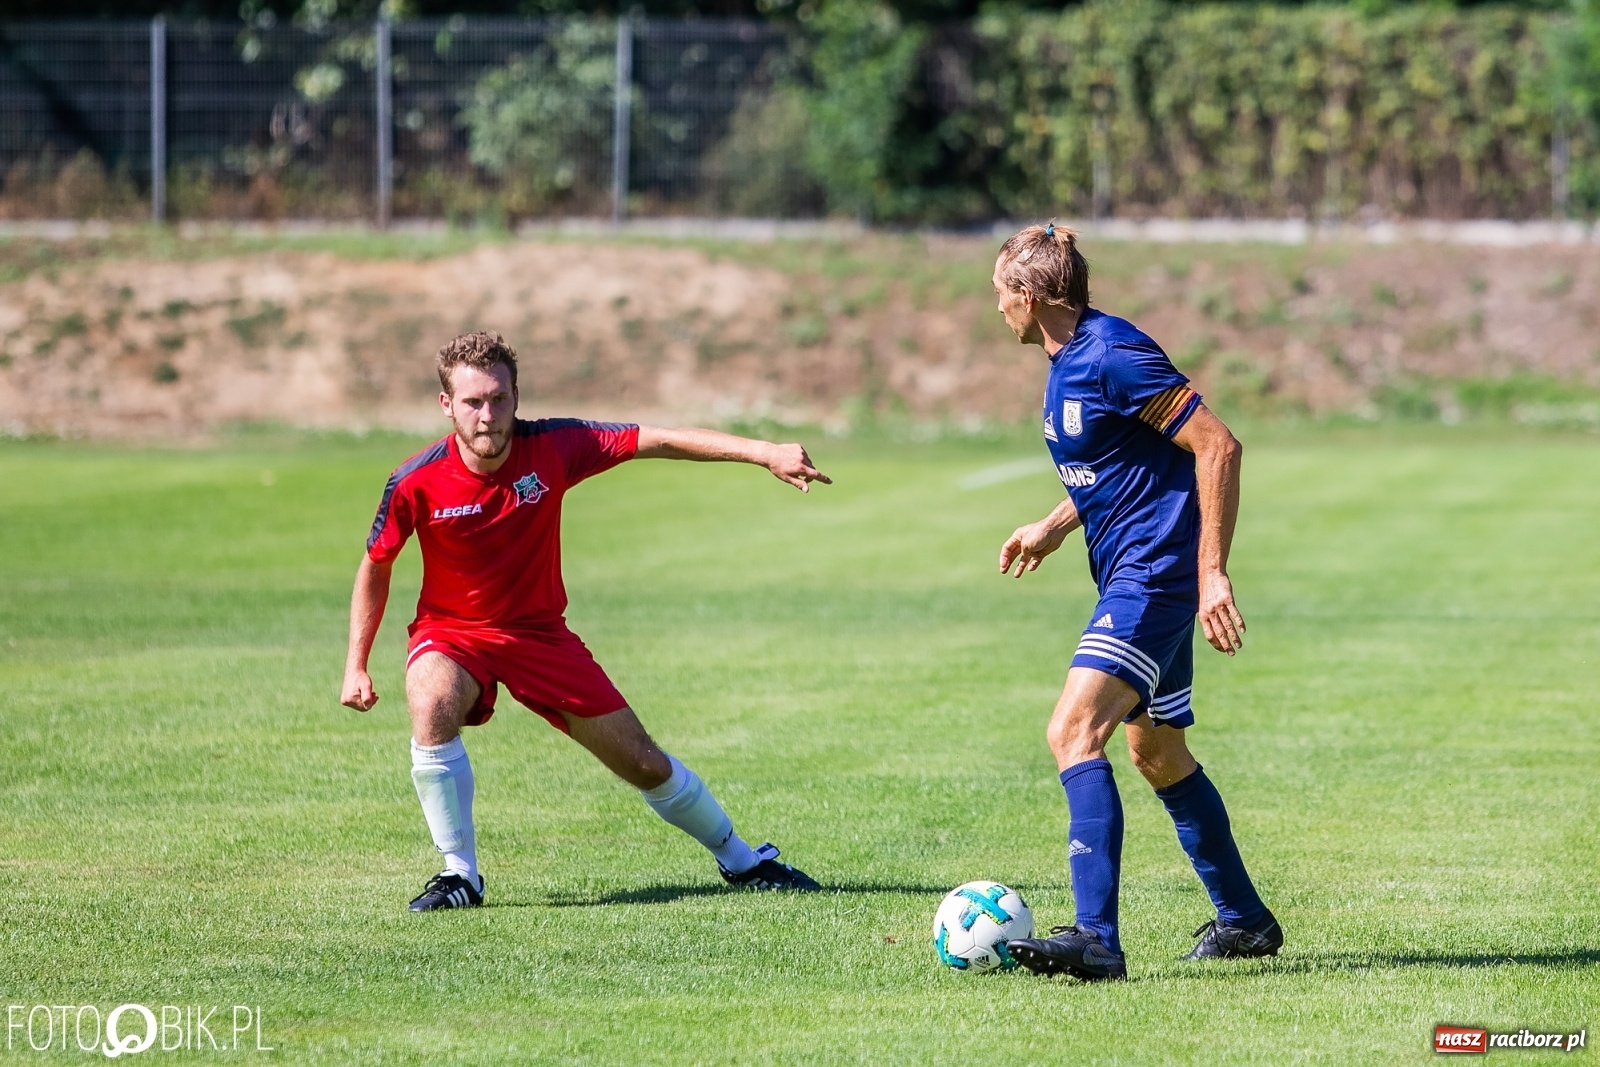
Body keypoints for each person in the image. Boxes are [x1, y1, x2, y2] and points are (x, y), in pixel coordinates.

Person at [341, 331, 831, 911]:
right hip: (452, 634)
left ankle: (744, 860)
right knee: (431, 699)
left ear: (516, 395)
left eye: (499, 399)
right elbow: (376, 566)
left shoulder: (555, 445)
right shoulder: (415, 480)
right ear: (446, 404)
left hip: (541, 637)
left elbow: (659, 439)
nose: (488, 416)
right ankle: (459, 876)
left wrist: (764, 451)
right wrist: (356, 664)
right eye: (473, 402)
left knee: (645, 764)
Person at [990, 224, 1282, 980]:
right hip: (1133, 568)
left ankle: (1095, 937)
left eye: (1001, 296)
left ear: (1029, 296)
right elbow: (1121, 466)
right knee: (1155, 750)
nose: (998, 311)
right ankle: (1245, 920)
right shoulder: (1067, 360)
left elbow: (1218, 446)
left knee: (1071, 731)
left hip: (1154, 575)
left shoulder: (1114, 351)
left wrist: (1211, 572)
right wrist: (1054, 524)